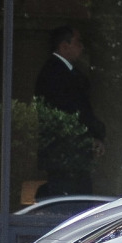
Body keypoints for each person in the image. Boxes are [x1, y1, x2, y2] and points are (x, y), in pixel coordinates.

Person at [34, 26, 106, 197]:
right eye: (77, 42)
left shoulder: (64, 72)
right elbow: (75, 110)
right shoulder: (56, 73)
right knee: (74, 201)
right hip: (65, 155)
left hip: (69, 154)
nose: (81, 47)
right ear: (64, 46)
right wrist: (96, 132)